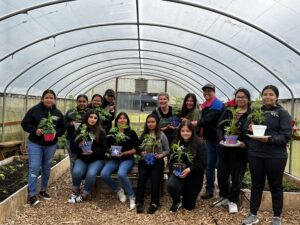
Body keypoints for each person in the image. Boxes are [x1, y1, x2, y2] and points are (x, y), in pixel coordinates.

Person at [242, 85, 292, 225]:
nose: (267, 97)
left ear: (276, 97)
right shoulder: (256, 111)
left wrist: (268, 139)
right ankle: (253, 214)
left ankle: (277, 217)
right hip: (256, 154)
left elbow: (286, 136)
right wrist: (249, 127)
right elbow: (246, 130)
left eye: (271, 94)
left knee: (275, 186)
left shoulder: (282, 113)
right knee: (256, 185)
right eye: (265, 94)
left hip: (275, 156)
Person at [21, 89, 66, 206]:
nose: (49, 100)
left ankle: (43, 190)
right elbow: (25, 123)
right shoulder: (34, 110)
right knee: (34, 167)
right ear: (42, 99)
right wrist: (35, 130)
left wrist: (57, 132)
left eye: (51, 98)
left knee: (46, 167)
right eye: (47, 97)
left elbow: (63, 127)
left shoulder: (57, 113)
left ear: (54, 100)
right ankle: (31, 194)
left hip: (50, 145)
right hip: (35, 143)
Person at [215, 88, 251, 213]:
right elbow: (219, 127)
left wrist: (245, 143)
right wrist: (220, 139)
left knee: (236, 177)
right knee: (222, 175)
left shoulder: (251, 115)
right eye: (238, 97)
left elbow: (253, 132)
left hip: (240, 151)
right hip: (225, 149)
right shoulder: (228, 111)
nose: (240, 99)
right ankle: (224, 196)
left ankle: (233, 200)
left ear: (248, 99)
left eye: (243, 97)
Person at [100, 112, 138, 210]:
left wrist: (124, 153)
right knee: (104, 174)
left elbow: (136, 149)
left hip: (127, 159)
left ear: (127, 121)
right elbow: (106, 147)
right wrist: (111, 151)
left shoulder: (131, 133)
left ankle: (132, 196)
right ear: (116, 121)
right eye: (120, 118)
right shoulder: (112, 133)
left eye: (124, 118)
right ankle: (118, 190)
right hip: (115, 159)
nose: (122, 120)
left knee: (121, 174)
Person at [167, 120, 207, 212]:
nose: (185, 133)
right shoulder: (176, 143)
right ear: (179, 131)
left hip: (194, 176)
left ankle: (185, 194)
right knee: (171, 185)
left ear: (192, 131)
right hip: (179, 173)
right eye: (183, 131)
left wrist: (190, 169)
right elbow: (171, 161)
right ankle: (176, 200)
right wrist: (174, 170)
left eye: (188, 131)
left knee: (189, 206)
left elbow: (203, 163)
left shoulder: (199, 144)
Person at [68, 110, 107, 203]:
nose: (93, 119)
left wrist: (93, 152)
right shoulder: (80, 130)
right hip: (82, 158)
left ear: (97, 120)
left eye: (95, 118)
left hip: (96, 159)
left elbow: (104, 148)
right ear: (86, 118)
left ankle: (85, 194)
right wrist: (79, 146)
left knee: (91, 173)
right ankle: (75, 191)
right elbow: (72, 147)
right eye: (91, 117)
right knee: (76, 171)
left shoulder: (101, 132)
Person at [135, 114, 170, 214]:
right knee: (142, 178)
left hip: (157, 161)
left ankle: (155, 203)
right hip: (144, 161)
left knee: (155, 179)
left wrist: (161, 155)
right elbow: (139, 148)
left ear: (157, 123)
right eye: (149, 122)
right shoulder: (143, 134)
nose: (150, 124)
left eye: (153, 122)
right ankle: (139, 202)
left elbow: (167, 150)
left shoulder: (161, 135)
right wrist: (142, 153)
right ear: (146, 123)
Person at [198, 83, 225, 199]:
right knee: (209, 166)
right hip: (209, 140)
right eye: (205, 91)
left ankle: (223, 191)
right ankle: (209, 190)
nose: (206, 93)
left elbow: (207, 121)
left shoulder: (218, 104)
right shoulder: (206, 105)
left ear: (214, 92)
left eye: (209, 91)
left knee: (221, 166)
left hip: (219, 141)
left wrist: (196, 123)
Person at [65, 94, 89, 170]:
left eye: (84, 101)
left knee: (85, 160)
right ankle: (75, 181)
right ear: (76, 102)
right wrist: (70, 124)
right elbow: (63, 123)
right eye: (79, 101)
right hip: (71, 140)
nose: (82, 103)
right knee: (73, 160)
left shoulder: (89, 113)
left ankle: (84, 179)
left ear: (87, 102)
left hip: (85, 141)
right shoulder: (71, 112)